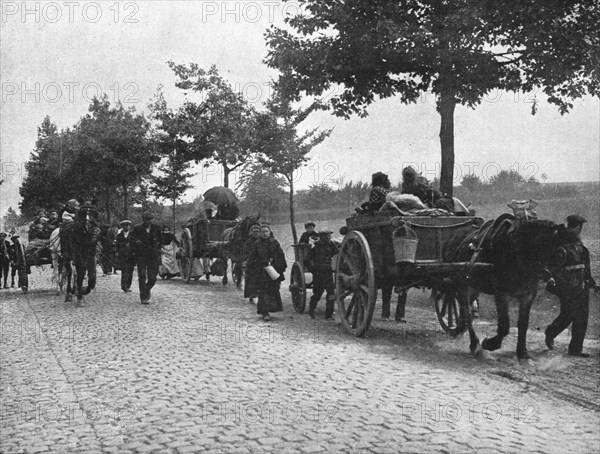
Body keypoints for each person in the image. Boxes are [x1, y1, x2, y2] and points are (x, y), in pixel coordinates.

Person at [545, 215, 599, 357]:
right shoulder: (559, 240)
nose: (578, 230)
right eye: (578, 226)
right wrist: (550, 277)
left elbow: (585, 266)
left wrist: (592, 283)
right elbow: (552, 262)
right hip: (566, 284)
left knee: (582, 316)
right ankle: (551, 332)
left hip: (582, 284)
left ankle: (575, 349)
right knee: (568, 313)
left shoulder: (580, 245)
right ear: (575, 226)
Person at [247, 224, 287, 321]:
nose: (265, 234)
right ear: (260, 233)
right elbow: (252, 258)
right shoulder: (257, 244)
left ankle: (272, 308)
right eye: (263, 232)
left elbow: (281, 256)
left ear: (269, 232)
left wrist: (276, 263)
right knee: (263, 292)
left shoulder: (275, 243)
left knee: (273, 290)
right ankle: (265, 312)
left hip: (273, 271)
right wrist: (261, 262)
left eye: (266, 232)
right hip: (261, 272)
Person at [307, 230, 339, 320]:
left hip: (328, 272)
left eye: (330, 236)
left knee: (331, 294)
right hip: (318, 273)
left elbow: (337, 252)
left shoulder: (331, 244)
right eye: (328, 236)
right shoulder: (315, 246)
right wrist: (313, 269)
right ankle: (311, 311)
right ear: (322, 237)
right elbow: (308, 260)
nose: (330, 238)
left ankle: (328, 315)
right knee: (317, 293)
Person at [131, 212, 163, 304]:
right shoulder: (137, 228)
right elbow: (131, 239)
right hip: (141, 255)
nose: (148, 221)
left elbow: (161, 240)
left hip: (153, 255)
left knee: (153, 278)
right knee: (142, 276)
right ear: (143, 220)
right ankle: (143, 297)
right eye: (146, 219)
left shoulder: (156, 228)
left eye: (150, 219)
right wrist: (136, 242)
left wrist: (160, 247)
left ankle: (147, 289)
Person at [243, 224, 261, 304]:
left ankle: (260, 295)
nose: (256, 233)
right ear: (251, 232)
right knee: (250, 280)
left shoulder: (261, 241)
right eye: (254, 232)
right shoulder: (248, 242)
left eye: (257, 232)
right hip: (251, 264)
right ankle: (250, 296)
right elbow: (245, 253)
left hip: (260, 264)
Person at [116, 220, 135, 293]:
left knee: (130, 271)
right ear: (122, 227)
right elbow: (117, 245)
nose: (126, 227)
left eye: (127, 225)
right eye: (124, 226)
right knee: (124, 270)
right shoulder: (119, 235)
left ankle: (128, 285)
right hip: (123, 255)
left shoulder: (133, 235)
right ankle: (124, 286)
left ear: (129, 226)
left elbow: (135, 244)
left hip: (131, 255)